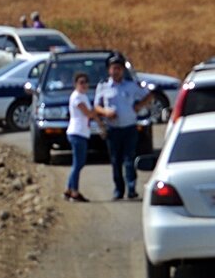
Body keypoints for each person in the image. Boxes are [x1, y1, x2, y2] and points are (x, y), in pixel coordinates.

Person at [93, 54, 152, 200]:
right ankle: (118, 190)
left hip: (129, 128)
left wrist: (139, 106)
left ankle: (131, 189)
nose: (116, 71)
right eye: (114, 68)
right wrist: (106, 112)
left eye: (119, 68)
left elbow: (149, 95)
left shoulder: (131, 86)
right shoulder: (103, 87)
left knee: (129, 159)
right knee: (115, 161)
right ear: (109, 70)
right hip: (113, 129)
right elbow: (96, 107)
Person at [65, 72, 101, 202]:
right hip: (77, 132)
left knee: (78, 163)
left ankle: (69, 189)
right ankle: (74, 191)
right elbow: (88, 113)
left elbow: (91, 113)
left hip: (82, 132)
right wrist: (97, 112)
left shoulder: (83, 96)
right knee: (78, 163)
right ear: (75, 84)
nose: (84, 84)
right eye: (81, 82)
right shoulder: (77, 97)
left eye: (86, 82)